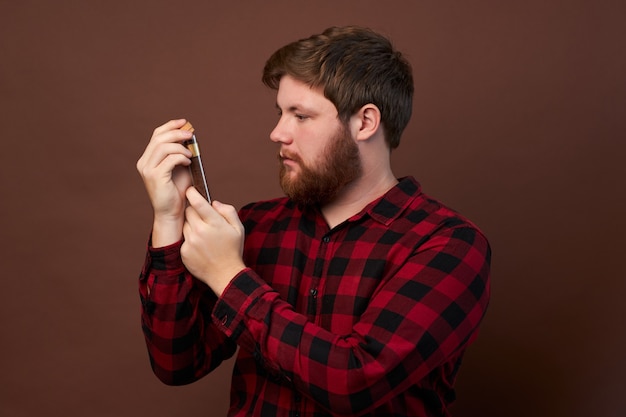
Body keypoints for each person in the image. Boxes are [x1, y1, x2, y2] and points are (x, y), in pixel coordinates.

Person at [136, 26, 491, 417]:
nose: (277, 133)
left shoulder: (447, 246)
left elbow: (354, 382)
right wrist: (167, 220)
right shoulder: (255, 226)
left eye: (301, 116)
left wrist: (227, 275)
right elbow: (176, 363)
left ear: (365, 122)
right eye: (280, 113)